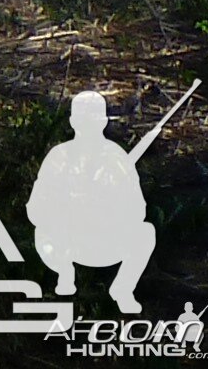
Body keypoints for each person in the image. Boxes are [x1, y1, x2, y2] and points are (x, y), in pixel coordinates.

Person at [30, 92, 159, 314]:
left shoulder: (117, 158)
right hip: (66, 243)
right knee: (43, 232)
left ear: (103, 122)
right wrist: (69, 209)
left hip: (105, 241)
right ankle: (64, 273)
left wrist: (108, 207)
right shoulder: (59, 156)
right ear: (73, 122)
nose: (88, 126)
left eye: (93, 120)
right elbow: (36, 209)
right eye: (84, 120)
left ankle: (122, 289)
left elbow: (138, 211)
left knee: (145, 233)